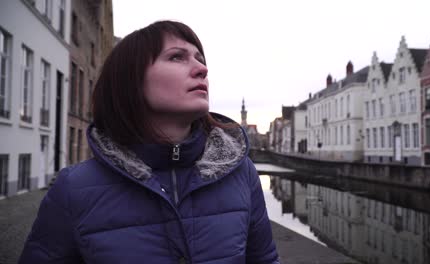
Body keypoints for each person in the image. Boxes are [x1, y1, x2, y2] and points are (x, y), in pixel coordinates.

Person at [19, 20, 280, 264]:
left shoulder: (242, 174)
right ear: (130, 80)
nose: (203, 68)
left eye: (200, 59)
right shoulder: (73, 189)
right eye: (177, 57)